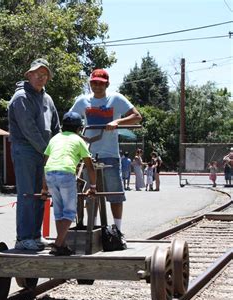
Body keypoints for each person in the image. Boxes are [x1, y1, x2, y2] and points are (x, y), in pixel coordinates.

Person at [70, 69, 142, 232]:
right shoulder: (82, 101)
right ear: (90, 84)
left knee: (115, 195)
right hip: (88, 155)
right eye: (94, 83)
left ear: (107, 84)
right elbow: (70, 120)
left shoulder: (115, 99)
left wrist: (117, 121)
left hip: (110, 155)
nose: (97, 86)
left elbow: (137, 116)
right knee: (91, 194)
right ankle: (93, 229)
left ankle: (117, 230)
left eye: (101, 83)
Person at [8, 58, 61, 251]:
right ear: (28, 75)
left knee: (41, 194)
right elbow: (29, 129)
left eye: (45, 74)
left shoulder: (47, 99)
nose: (41, 77)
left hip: (45, 152)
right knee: (28, 193)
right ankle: (23, 237)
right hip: (26, 151)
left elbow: (56, 127)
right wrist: (49, 151)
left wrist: (59, 147)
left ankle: (35, 235)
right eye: (37, 73)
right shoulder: (21, 97)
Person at [42, 112, 96, 256]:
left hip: (50, 173)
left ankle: (63, 246)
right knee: (70, 212)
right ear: (79, 129)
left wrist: (44, 188)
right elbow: (90, 166)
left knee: (59, 212)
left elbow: (45, 162)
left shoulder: (54, 138)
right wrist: (93, 188)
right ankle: (58, 243)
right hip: (66, 173)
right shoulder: (79, 141)